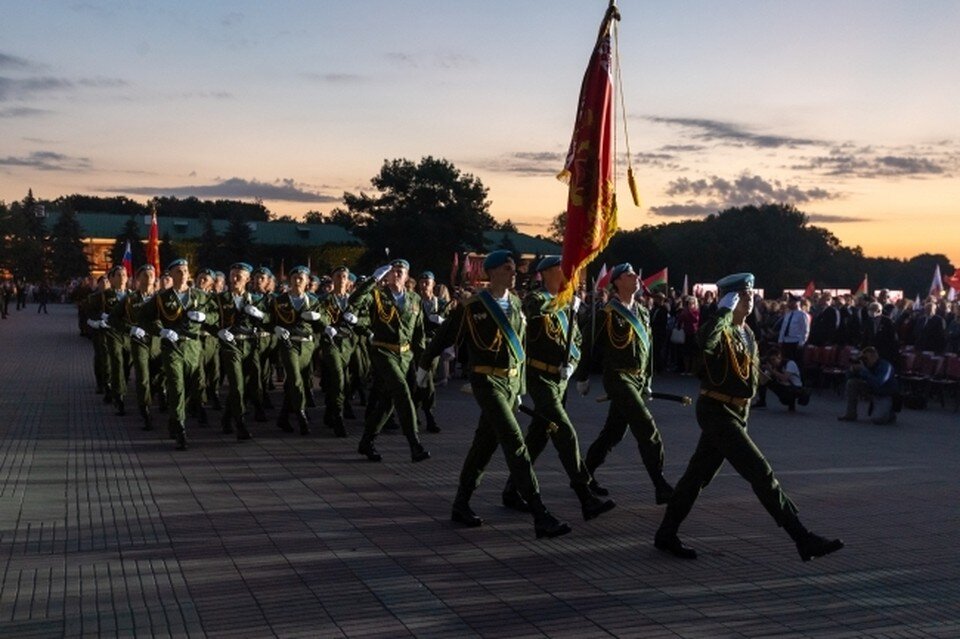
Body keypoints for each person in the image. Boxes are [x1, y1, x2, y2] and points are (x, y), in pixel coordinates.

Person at [655, 272, 844, 562]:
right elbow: (704, 343)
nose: (751, 299)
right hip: (717, 411)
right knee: (760, 471)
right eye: (744, 295)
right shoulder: (720, 329)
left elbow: (752, 372)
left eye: (752, 294)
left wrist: (781, 390)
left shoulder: (747, 333)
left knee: (696, 478)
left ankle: (666, 533)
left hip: (738, 411)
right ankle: (802, 537)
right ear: (731, 299)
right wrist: (722, 311)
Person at [418, 250, 570, 539]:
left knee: (484, 445)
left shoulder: (516, 303)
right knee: (515, 442)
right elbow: (446, 333)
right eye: (508, 268)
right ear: (493, 272)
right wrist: (425, 365)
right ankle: (540, 514)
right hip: (486, 381)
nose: (514, 273)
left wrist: (521, 388)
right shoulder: (474, 305)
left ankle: (461, 504)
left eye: (515, 269)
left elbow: (521, 348)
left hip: (511, 384)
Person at [499, 255, 615, 521]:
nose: (569, 276)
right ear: (548, 273)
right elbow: (532, 313)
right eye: (564, 271)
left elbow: (576, 341)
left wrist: (573, 365)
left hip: (559, 381)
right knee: (565, 432)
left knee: (538, 437)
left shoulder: (567, 306)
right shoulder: (537, 299)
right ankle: (584, 494)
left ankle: (512, 489)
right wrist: (562, 303)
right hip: (539, 378)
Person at [579, 263, 674, 505]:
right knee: (646, 427)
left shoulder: (642, 312)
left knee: (613, 433)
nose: (636, 278)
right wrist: (582, 375)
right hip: (618, 377)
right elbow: (588, 343)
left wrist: (648, 381)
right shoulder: (607, 312)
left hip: (638, 378)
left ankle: (583, 476)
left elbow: (648, 349)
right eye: (630, 275)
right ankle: (659, 483)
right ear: (618, 282)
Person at [352, 259, 430, 463]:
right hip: (383, 351)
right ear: (386, 276)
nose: (396, 274)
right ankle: (415, 444)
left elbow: (419, 332)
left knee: (387, 403)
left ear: (407, 276)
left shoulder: (414, 299)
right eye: (393, 271)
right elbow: (355, 301)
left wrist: (423, 361)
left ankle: (366, 442)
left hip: (405, 355)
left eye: (400, 271)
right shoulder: (377, 295)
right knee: (402, 392)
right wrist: (373, 279)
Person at [139, 258, 216, 450]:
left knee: (191, 386)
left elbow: (217, 316)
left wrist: (205, 316)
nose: (183, 275)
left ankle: (174, 419)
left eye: (185, 271)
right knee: (175, 384)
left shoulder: (200, 295)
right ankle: (181, 429)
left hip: (193, 347)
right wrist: (160, 331)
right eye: (178, 272)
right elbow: (143, 317)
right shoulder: (161, 298)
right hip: (172, 346)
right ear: (171, 275)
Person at [212, 262, 270, 440]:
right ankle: (241, 424)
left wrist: (260, 315)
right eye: (233, 275)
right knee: (236, 385)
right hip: (230, 345)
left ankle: (227, 418)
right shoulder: (219, 299)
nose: (235, 279)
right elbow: (209, 320)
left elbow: (271, 320)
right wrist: (218, 331)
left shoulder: (256, 300)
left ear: (247, 279)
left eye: (239, 276)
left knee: (247, 386)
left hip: (250, 346)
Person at [268, 266, 322, 435]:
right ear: (289, 281)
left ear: (307, 282)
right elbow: (268, 320)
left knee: (293, 381)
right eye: (294, 278)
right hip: (288, 344)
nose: (297, 281)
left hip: (306, 345)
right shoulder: (279, 300)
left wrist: (319, 317)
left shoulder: (313, 301)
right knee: (296, 380)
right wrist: (275, 328)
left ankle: (283, 418)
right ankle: (301, 416)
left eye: (301, 278)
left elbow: (324, 322)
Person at [119, 265, 162, 431]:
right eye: (145, 274)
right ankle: (146, 412)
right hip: (139, 342)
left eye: (152, 274)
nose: (149, 277)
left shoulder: (161, 298)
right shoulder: (130, 300)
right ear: (138, 279)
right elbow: (114, 319)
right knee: (143, 378)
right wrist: (130, 329)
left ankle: (155, 396)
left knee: (157, 378)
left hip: (157, 343)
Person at [414, 270, 446, 433]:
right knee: (425, 380)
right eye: (422, 281)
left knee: (426, 378)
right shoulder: (414, 301)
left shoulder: (440, 303)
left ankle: (416, 410)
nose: (425, 284)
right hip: (417, 346)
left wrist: (442, 321)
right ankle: (429, 416)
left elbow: (450, 324)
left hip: (433, 346)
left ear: (433, 284)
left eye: (428, 281)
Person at [838, 346, 899, 424]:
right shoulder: (865, 366)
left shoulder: (886, 366)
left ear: (874, 357)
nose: (865, 361)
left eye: (866, 358)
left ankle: (890, 412)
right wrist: (852, 371)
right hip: (871, 390)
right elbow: (847, 379)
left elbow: (879, 383)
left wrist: (864, 371)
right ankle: (851, 413)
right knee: (852, 383)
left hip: (885, 394)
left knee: (878, 420)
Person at [754, 345, 810, 411]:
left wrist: (771, 371)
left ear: (779, 357)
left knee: (787, 388)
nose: (772, 362)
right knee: (768, 381)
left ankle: (791, 403)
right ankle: (762, 401)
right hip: (783, 387)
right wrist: (759, 370)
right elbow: (763, 382)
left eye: (774, 359)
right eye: (771, 360)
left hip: (795, 388)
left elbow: (785, 378)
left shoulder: (790, 363)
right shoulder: (772, 366)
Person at [777, 294, 809, 363]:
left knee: (795, 362)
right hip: (786, 341)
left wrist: (801, 343)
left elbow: (805, 330)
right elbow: (783, 328)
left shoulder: (802, 315)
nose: (789, 303)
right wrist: (780, 340)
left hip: (796, 342)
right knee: (785, 361)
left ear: (797, 303)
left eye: (791, 302)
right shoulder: (788, 314)